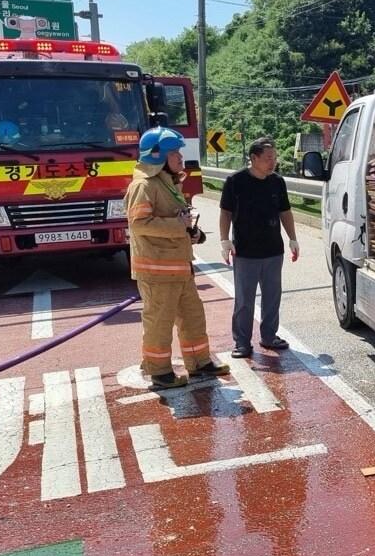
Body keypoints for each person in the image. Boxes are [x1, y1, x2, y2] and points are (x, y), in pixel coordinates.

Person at [125, 127, 230, 389]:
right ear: (157, 156)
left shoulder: (167, 183)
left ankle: (199, 362)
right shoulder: (144, 185)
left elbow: (179, 220)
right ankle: (159, 372)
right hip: (157, 270)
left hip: (179, 267)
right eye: (175, 153)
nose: (180, 158)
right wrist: (177, 225)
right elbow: (139, 224)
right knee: (159, 322)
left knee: (193, 317)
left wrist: (192, 233)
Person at [219, 137, 299, 359]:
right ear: (253, 158)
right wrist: (224, 240)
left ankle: (269, 335)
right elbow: (225, 212)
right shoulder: (235, 181)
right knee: (244, 300)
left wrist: (292, 238)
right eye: (267, 158)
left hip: (273, 249)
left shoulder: (277, 182)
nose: (272, 162)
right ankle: (242, 342)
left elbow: (285, 212)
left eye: (274, 158)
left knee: (273, 296)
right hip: (245, 251)